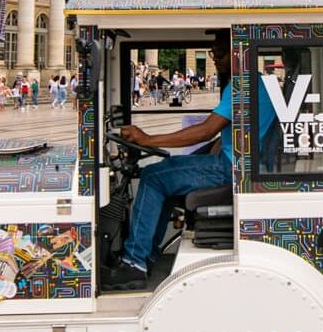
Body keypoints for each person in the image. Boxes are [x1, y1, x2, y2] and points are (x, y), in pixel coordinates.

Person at [104, 33, 258, 291]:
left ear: (237, 52)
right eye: (213, 53)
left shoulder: (243, 84)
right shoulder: (252, 82)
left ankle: (134, 262)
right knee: (164, 176)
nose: (215, 59)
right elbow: (223, 134)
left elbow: (206, 130)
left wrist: (147, 139)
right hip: (234, 164)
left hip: (229, 168)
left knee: (153, 177)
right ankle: (147, 255)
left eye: (220, 53)